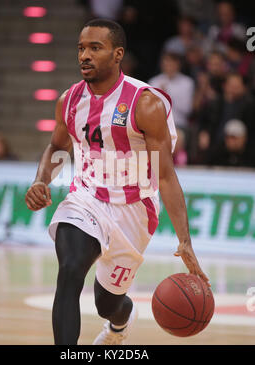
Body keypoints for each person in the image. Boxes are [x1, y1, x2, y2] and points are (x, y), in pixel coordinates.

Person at [25, 19, 209, 345]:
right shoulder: (69, 100)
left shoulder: (145, 103)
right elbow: (57, 145)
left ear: (117, 54)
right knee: (69, 271)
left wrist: (185, 240)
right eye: (81, 48)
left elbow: (165, 176)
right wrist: (41, 180)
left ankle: (119, 327)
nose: (85, 55)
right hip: (86, 196)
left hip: (134, 209)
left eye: (95, 48)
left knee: (107, 303)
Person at [148, 52, 195, 132]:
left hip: (179, 125)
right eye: (166, 63)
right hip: (157, 124)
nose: (168, 66)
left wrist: (167, 95)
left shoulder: (187, 83)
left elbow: (187, 109)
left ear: (178, 65)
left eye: (171, 63)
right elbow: (149, 108)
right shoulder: (154, 82)